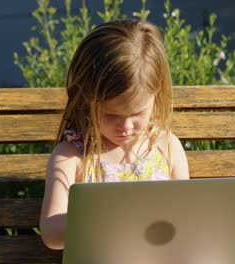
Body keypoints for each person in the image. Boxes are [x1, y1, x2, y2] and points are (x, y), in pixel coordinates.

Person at [40, 19, 190, 250]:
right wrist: (110, 216)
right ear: (85, 99)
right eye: (110, 115)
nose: (126, 126)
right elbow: (51, 233)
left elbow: (187, 219)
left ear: (156, 96)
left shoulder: (166, 147)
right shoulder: (72, 157)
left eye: (138, 113)